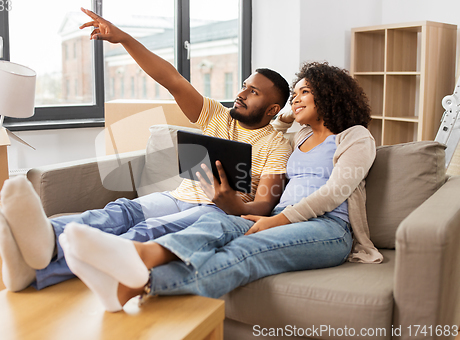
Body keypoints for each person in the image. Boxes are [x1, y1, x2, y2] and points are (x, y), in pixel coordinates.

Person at [0, 8, 292, 292]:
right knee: (119, 212)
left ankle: (39, 272)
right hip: (179, 197)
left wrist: (233, 204)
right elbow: (170, 78)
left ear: (272, 109)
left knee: (147, 231)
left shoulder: (276, 146)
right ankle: (45, 236)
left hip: (214, 211)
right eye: (243, 85)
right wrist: (124, 39)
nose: (240, 94)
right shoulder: (216, 115)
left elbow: (263, 206)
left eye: (253, 92)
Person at [57, 61, 385, 313]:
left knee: (244, 251)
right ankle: (136, 261)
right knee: (216, 220)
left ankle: (136, 280)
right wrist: (291, 111)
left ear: (329, 95)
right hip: (287, 216)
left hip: (328, 228)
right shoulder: (301, 135)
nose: (295, 100)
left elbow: (334, 192)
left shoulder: (354, 136)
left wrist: (275, 220)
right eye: (294, 93)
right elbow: (280, 119)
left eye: (304, 92)